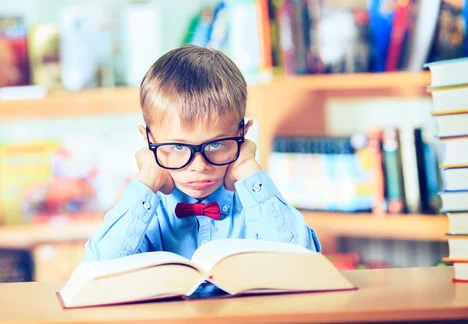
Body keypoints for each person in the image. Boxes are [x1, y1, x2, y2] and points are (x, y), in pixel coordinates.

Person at [85, 45, 321, 264]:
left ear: (242, 134)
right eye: (178, 147)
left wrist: (249, 167)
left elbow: (307, 264)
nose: (199, 166)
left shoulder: (257, 204)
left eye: (216, 145)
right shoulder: (146, 208)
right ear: (149, 141)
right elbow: (97, 269)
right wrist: (147, 178)